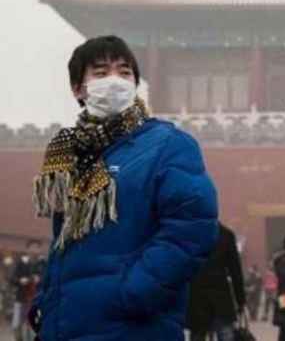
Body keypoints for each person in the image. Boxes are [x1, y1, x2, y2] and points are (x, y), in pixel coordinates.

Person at [29, 35, 219, 341]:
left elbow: (192, 228)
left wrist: (138, 292)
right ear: (78, 88)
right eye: (101, 73)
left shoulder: (167, 145)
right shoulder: (69, 155)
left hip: (133, 326)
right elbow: (64, 240)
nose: (115, 80)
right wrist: (46, 299)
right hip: (65, 324)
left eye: (124, 71)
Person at [188, 222, 246, 341]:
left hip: (197, 297)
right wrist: (241, 301)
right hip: (220, 297)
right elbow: (236, 271)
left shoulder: (190, 233)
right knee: (226, 334)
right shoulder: (226, 234)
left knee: (197, 335)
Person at [10, 241, 44, 341]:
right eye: (32, 248)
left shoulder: (43, 264)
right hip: (21, 298)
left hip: (36, 300)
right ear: (27, 249)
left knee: (34, 324)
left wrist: (40, 279)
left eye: (37, 248)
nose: (34, 250)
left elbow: (47, 279)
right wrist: (20, 280)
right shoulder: (21, 263)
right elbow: (12, 278)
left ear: (40, 250)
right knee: (17, 324)